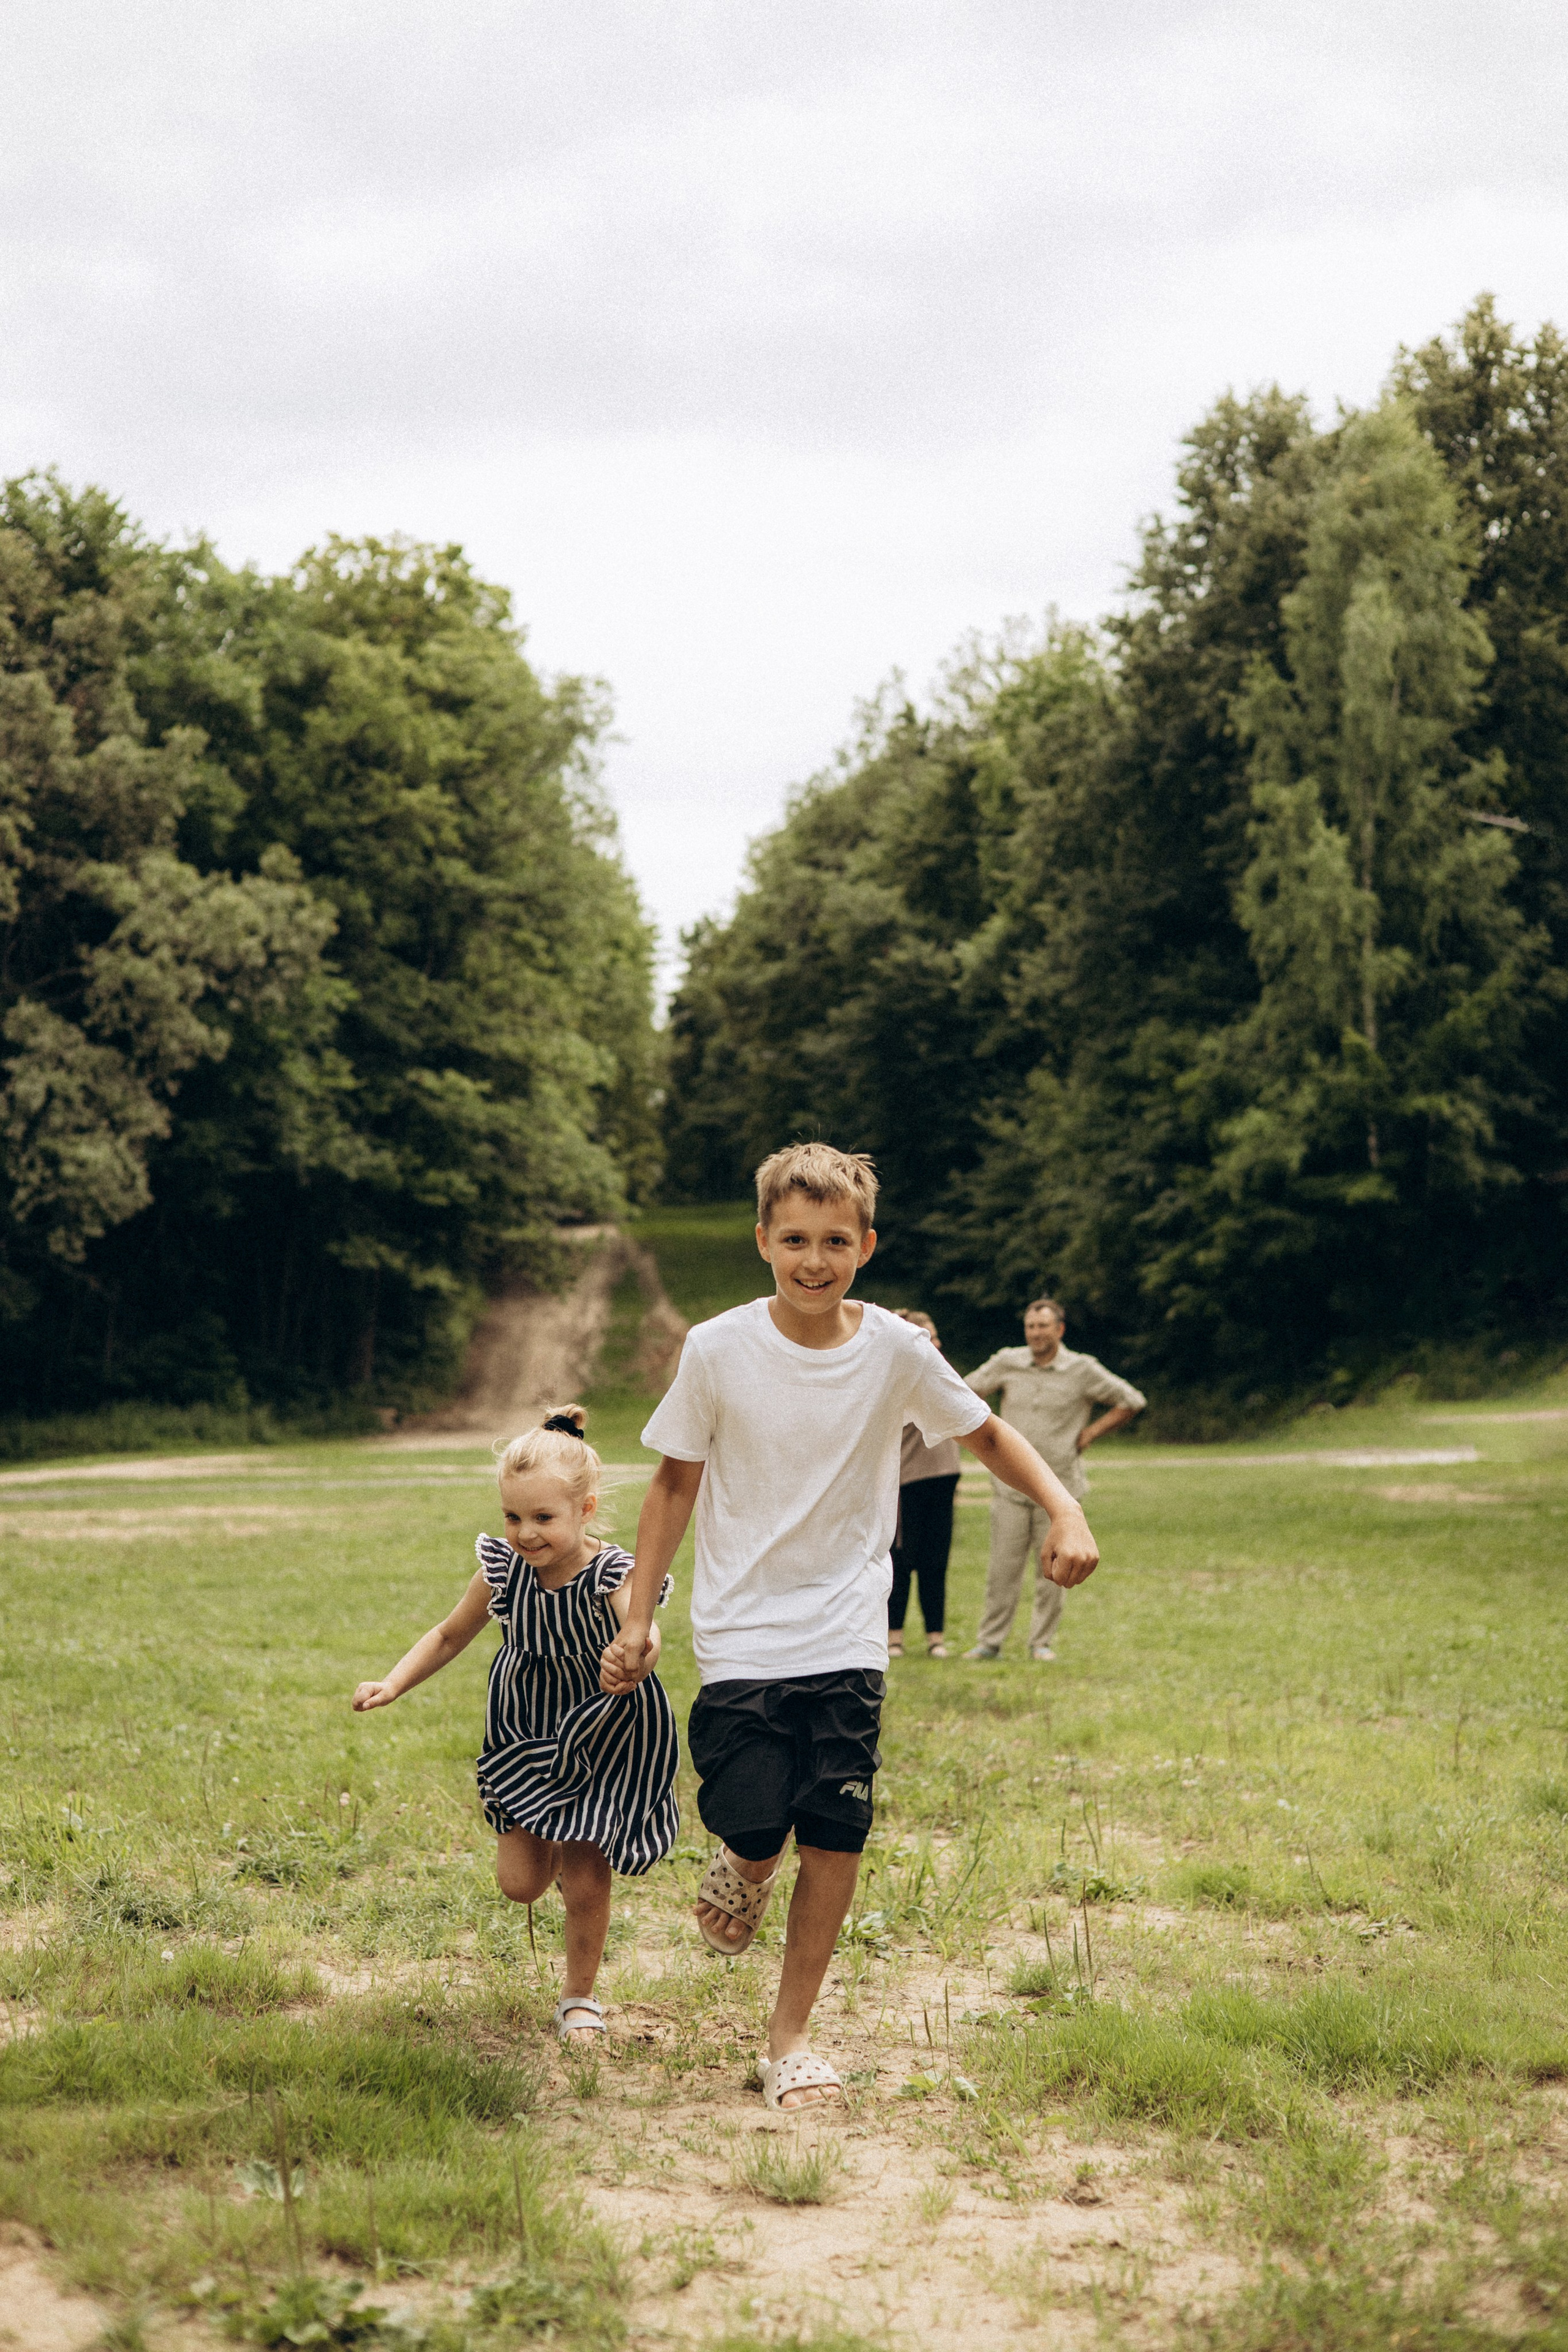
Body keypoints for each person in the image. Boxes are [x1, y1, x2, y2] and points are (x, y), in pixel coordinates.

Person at [600, 1143, 1099, 2112]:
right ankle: (745, 1861)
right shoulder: (717, 1349)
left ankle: (791, 2041)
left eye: (836, 1240)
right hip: (743, 1630)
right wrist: (638, 1610)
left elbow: (986, 1434)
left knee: (835, 1830)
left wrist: (1066, 1510)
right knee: (752, 1813)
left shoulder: (897, 1355)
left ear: (866, 1246)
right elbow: (674, 1482)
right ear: (763, 1242)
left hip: (845, 1632)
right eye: (795, 1239)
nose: (815, 1259)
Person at [352, 1405, 677, 2046]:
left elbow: (645, 1629)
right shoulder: (503, 1570)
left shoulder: (608, 1573)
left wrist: (635, 1653)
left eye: (542, 1518)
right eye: (513, 1517)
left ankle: (579, 1997)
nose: (525, 1534)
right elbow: (449, 1635)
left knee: (585, 1876)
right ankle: (551, 1842)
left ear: (584, 1511)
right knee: (520, 1885)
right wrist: (394, 1681)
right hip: (524, 1735)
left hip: (599, 1736)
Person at [962, 1298, 1145, 1663]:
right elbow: (963, 1391)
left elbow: (1131, 1400)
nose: (1035, 1333)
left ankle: (1040, 1644)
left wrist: (1092, 1432)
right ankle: (990, 1643)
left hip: (1060, 1490)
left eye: (1043, 1326)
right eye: (1030, 1326)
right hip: (1010, 1488)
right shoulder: (1008, 1362)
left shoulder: (1082, 1370)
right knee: (1002, 1569)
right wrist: (986, 1430)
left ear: (1059, 1330)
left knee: (1054, 1571)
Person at [888, 1310, 960, 1660]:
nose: (938, 1343)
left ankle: (936, 1637)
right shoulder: (898, 1380)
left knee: (936, 1561)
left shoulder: (944, 1375)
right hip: (906, 1481)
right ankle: (894, 1637)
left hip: (943, 1478)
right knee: (900, 1562)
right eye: (930, 1337)